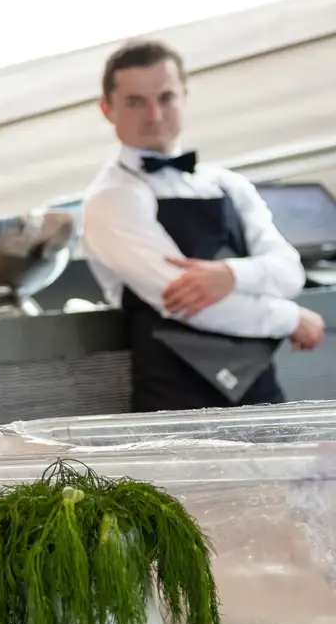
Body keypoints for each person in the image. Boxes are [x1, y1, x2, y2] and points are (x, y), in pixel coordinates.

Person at [80, 38, 323, 412]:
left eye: (165, 97)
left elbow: (290, 271)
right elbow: (186, 302)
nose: (154, 115)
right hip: (176, 395)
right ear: (107, 109)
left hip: (258, 386)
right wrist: (290, 317)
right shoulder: (111, 197)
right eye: (135, 102)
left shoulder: (230, 183)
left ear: (185, 97)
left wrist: (231, 274)